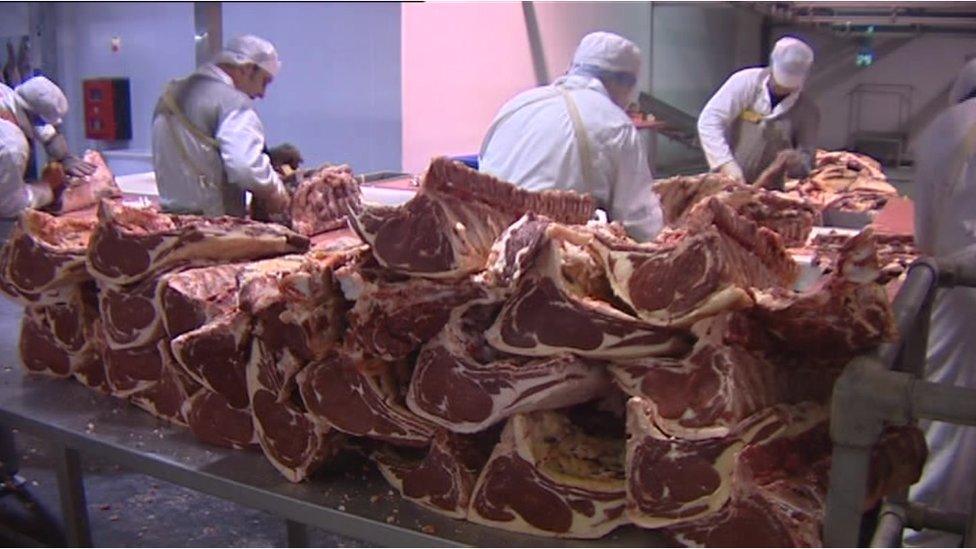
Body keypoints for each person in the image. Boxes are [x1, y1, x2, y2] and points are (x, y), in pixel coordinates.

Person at [479, 31, 663, 242]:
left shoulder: (516, 104)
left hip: (489, 242)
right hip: (555, 255)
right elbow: (639, 224)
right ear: (623, 83)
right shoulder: (614, 122)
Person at [903, 58, 976, 548]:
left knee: (945, 412)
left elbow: (925, 232)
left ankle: (926, 532)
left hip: (959, 285)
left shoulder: (946, 127)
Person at [151, 34, 296, 217]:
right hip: (214, 228)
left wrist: (270, 156)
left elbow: (201, 152)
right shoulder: (232, 102)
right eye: (264, 82)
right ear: (248, 69)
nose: (261, 93)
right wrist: (275, 191)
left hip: (174, 223)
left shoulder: (171, 94)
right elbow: (245, 168)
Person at [697, 36, 820, 185]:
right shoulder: (745, 82)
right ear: (772, 67)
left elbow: (808, 161)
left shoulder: (808, 110)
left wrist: (797, 161)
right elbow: (710, 120)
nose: (782, 90)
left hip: (773, 194)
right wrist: (726, 164)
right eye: (778, 84)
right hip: (728, 182)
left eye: (788, 87)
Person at [0, 75, 94, 218]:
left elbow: (36, 122)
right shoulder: (13, 146)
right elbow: (9, 205)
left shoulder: (6, 93)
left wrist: (64, 156)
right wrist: (48, 188)